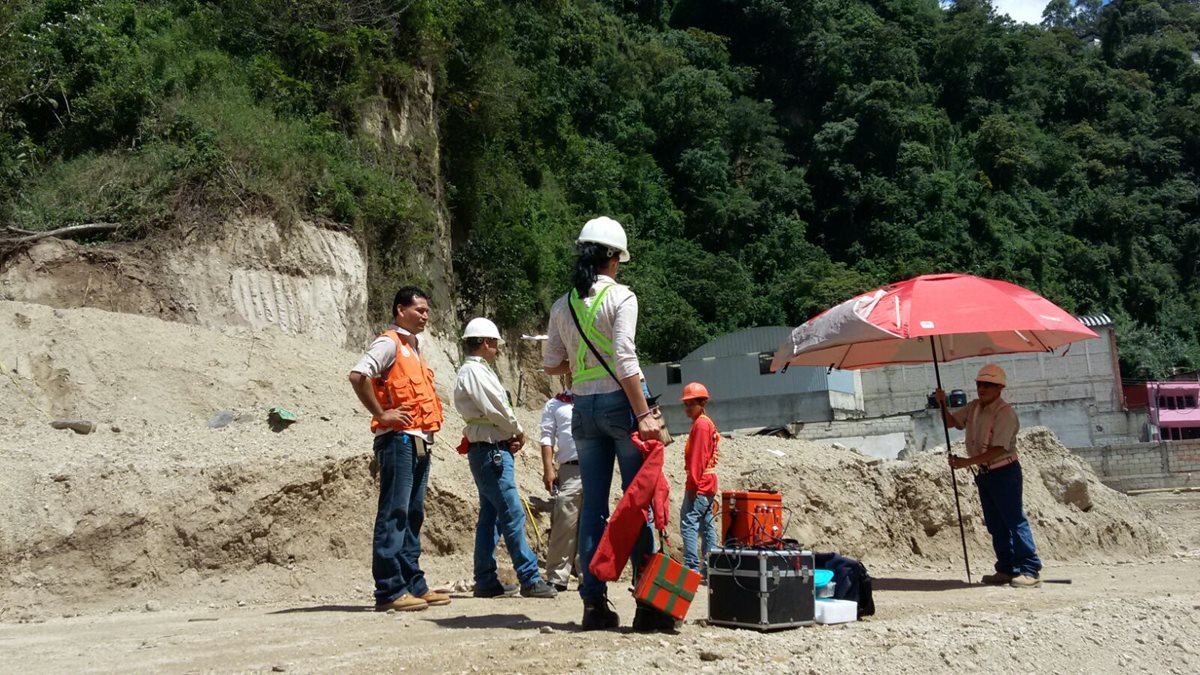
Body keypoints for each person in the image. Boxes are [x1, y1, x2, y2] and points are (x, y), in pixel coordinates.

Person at [544, 215, 665, 631]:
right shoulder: (622, 298)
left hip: (582, 409)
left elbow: (550, 364)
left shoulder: (563, 305)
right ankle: (649, 606)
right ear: (612, 257)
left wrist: (584, 362)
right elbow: (626, 359)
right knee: (638, 503)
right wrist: (644, 414)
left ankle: (593, 604)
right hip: (621, 406)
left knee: (593, 507)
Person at [348, 286, 450, 612]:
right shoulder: (388, 343)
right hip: (398, 440)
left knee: (413, 513)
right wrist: (381, 414)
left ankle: (413, 584)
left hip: (418, 440)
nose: (425, 315)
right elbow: (358, 375)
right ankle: (390, 589)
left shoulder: (414, 348)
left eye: (427, 310)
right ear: (399, 310)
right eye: (419, 309)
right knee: (395, 513)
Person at [454, 317, 558, 600]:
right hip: (491, 450)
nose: (497, 349)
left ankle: (486, 579)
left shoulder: (473, 371)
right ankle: (529, 576)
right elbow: (497, 408)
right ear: (486, 342)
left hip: (488, 449)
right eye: (495, 344)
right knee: (511, 513)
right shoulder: (476, 373)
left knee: (491, 516)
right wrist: (518, 430)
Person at [936, 363, 1043, 589]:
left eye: (988, 385)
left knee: (1014, 520)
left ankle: (1030, 569)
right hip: (986, 474)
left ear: (999, 388)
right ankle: (1006, 568)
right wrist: (942, 404)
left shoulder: (1005, 414)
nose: (982, 388)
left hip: (1004, 471)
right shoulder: (974, 407)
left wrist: (966, 463)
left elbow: (999, 448)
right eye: (980, 384)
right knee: (996, 523)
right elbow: (951, 423)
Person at [540, 376, 582, 592]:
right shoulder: (555, 404)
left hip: (595, 466)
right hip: (570, 468)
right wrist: (549, 468)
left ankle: (588, 574)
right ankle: (557, 575)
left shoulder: (591, 399)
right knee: (565, 520)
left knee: (592, 522)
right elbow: (547, 437)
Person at [678, 382, 719, 580]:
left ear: (701, 403)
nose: (686, 408)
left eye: (690, 404)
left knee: (689, 522)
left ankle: (692, 567)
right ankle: (710, 568)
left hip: (701, 482)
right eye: (685, 404)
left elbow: (697, 459)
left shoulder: (701, 425)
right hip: (708, 482)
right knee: (706, 524)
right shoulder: (705, 423)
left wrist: (693, 485)